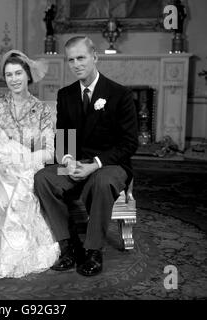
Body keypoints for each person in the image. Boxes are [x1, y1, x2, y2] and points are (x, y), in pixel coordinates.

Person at [34, 36, 138, 277]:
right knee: (43, 178)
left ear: (95, 58)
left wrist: (95, 165)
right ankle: (69, 244)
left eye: (81, 58)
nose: (76, 64)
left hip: (110, 163)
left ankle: (93, 250)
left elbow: (129, 144)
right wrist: (69, 161)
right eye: (71, 60)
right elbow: (64, 136)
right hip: (77, 162)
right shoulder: (66, 94)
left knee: (101, 181)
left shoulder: (120, 94)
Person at [0, 49, 60, 282]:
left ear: (28, 75)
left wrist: (20, 159)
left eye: (18, 73)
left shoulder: (41, 110)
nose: (14, 79)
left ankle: (15, 255)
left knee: (19, 190)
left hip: (26, 166)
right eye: (9, 74)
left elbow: (49, 151)